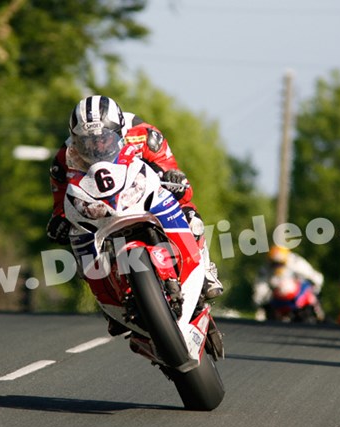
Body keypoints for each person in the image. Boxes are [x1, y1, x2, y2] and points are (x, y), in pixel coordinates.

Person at [45, 95, 223, 331]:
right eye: (87, 140)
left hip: (141, 194)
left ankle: (205, 268)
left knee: (188, 210)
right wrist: (59, 217)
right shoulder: (65, 156)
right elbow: (61, 194)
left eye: (103, 138)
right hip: (103, 210)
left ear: (118, 130)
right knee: (79, 245)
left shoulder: (144, 135)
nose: (96, 145)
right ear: (75, 137)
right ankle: (110, 300)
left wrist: (173, 177)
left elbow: (168, 166)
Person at [253, 245, 325, 320]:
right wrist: (260, 301)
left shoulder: (295, 262)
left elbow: (314, 276)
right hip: (276, 297)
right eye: (274, 263)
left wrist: (315, 286)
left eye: (280, 263)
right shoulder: (265, 268)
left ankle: (317, 312)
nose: (277, 266)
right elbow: (260, 287)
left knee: (311, 293)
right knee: (265, 303)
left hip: (297, 294)